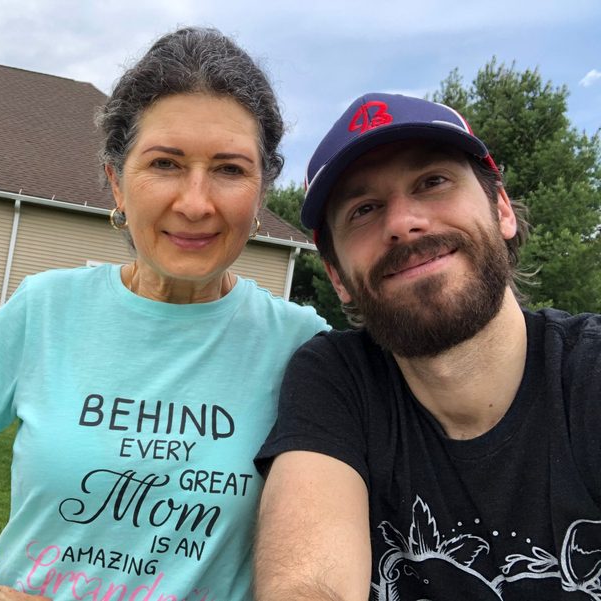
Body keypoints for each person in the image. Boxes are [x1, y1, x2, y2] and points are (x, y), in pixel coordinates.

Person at [0, 27, 327, 601]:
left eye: (230, 169)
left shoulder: (303, 348)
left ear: (261, 193)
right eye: (165, 163)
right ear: (117, 183)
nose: (196, 202)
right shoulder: (47, 310)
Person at [253, 92, 601, 601]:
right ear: (337, 278)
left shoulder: (589, 373)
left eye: (433, 182)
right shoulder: (337, 381)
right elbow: (308, 586)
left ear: (501, 209)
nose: (402, 223)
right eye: (364, 209)